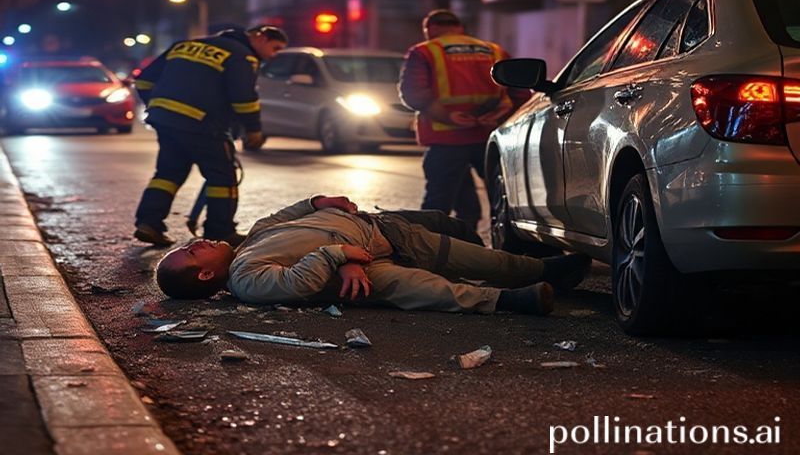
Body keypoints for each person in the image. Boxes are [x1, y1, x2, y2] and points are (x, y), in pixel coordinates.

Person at [155, 195, 590, 316]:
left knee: (473, 258)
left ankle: (541, 269)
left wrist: (316, 202)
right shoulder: (246, 279)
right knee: (427, 291)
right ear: (206, 277)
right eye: (192, 254)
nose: (196, 243)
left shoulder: (252, 239)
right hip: (362, 272)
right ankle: (508, 301)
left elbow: (282, 215)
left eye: (188, 244)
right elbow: (296, 283)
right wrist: (338, 254)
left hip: (378, 233)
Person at [133, 25, 288, 248]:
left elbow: (144, 81)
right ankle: (220, 231)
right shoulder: (242, 56)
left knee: (168, 173)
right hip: (203, 124)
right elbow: (244, 98)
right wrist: (253, 129)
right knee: (223, 177)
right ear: (260, 37)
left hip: (165, 121)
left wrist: (159, 107)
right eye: (275, 48)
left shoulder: (186, 45)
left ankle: (148, 223)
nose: (273, 55)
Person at [399, 9, 530, 231]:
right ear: (460, 28)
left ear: (429, 29)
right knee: (502, 197)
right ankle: (507, 246)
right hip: (489, 137)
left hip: (446, 139)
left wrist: (448, 116)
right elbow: (520, 94)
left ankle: (429, 247)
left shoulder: (424, 52)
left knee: (437, 203)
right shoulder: (495, 51)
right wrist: (500, 116)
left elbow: (413, 94)